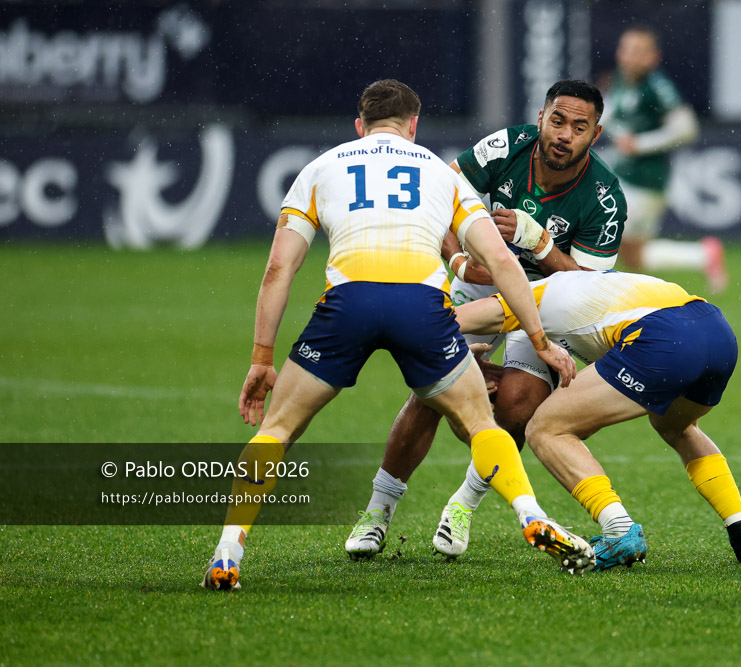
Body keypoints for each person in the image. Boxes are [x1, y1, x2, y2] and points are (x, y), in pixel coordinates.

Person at [202, 79, 593, 591]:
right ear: (414, 125)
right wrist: (540, 341)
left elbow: (279, 269)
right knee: (481, 423)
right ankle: (529, 514)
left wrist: (260, 358)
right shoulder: (437, 170)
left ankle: (228, 550)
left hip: (348, 305)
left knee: (276, 430)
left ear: (359, 125)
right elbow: (500, 259)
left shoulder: (321, 168)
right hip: (421, 306)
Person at [345, 79, 628, 561]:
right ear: (541, 118)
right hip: (480, 281)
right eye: (557, 120)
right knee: (434, 389)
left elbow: (587, 288)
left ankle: (463, 504)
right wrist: (457, 262)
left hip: (546, 301)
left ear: (594, 135)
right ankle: (378, 511)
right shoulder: (506, 147)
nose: (564, 134)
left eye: (578, 127)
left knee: (518, 406)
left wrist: (541, 245)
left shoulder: (605, 199)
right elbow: (436, 200)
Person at [454, 269, 741, 570]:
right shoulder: (584, 282)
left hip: (663, 338)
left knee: (547, 429)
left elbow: (452, 321)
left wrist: (460, 360)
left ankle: (618, 529)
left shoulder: (527, 296)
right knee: (677, 426)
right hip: (717, 331)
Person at [604, 25, 727, 293]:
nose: (629, 57)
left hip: (644, 180)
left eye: (638, 52)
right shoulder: (624, 79)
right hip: (626, 174)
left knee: (600, 235)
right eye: (625, 49)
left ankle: (585, 300)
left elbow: (687, 129)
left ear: (653, 58)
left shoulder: (658, 87)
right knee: (634, 256)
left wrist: (640, 144)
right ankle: (704, 256)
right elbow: (615, 113)